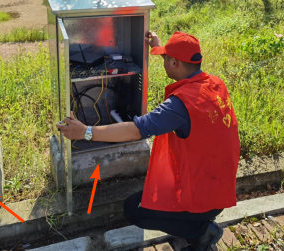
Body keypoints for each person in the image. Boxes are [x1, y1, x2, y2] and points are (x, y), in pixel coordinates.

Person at [57, 31, 240, 251]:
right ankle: (193, 223)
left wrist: (86, 132)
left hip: (203, 199)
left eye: (165, 59)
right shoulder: (215, 84)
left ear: (174, 62)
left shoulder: (180, 105)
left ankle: (202, 230)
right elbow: (178, 65)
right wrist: (158, 46)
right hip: (220, 188)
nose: (163, 62)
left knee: (134, 209)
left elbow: (137, 129)